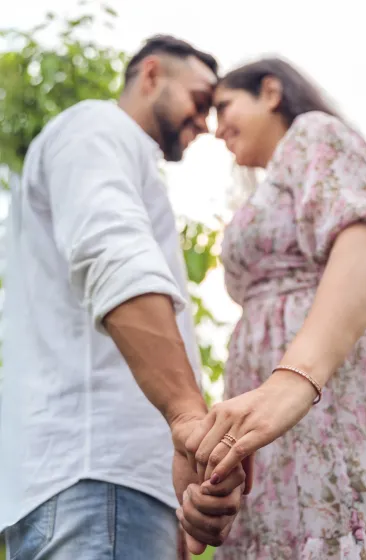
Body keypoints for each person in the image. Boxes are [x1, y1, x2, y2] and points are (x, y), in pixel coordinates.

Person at [0, 35, 246, 560]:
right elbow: (111, 251)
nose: (204, 123)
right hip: (100, 481)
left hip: (100, 487)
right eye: (200, 101)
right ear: (152, 76)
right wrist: (186, 419)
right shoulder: (96, 128)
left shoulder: (110, 151)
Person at [181, 58, 366, 558]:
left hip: (327, 393)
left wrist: (292, 381)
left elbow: (362, 242)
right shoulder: (265, 187)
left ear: (271, 92)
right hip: (271, 412)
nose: (217, 127)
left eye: (225, 106)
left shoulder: (313, 134)